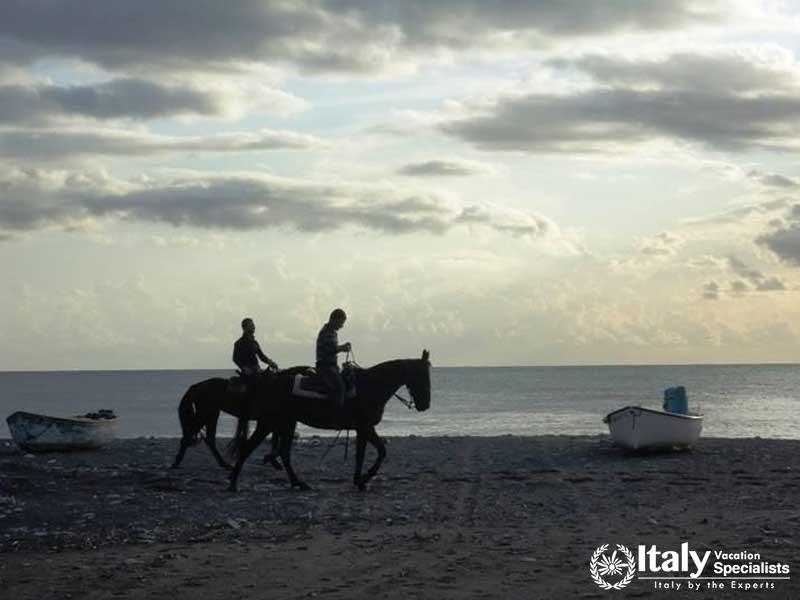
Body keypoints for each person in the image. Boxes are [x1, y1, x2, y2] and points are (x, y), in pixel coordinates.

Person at [315, 308, 351, 413]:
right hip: (325, 367)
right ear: (334, 320)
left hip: (332, 366)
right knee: (339, 388)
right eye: (341, 323)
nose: (341, 326)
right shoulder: (325, 332)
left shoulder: (332, 332)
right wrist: (342, 348)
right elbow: (328, 349)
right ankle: (335, 414)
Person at [233, 318, 278, 382]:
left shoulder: (254, 342)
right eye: (251, 325)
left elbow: (261, 356)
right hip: (248, 372)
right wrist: (244, 367)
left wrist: (271, 363)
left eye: (253, 325)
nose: (254, 327)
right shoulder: (239, 343)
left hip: (257, 370)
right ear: (244, 328)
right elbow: (235, 358)